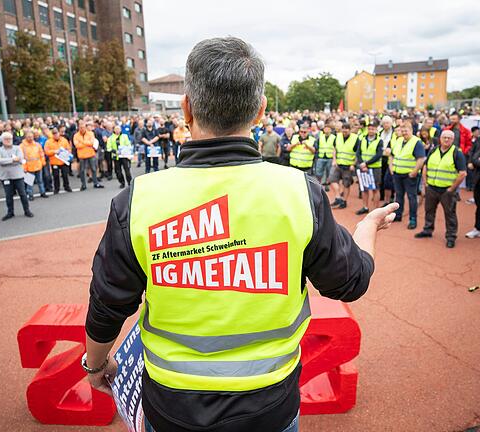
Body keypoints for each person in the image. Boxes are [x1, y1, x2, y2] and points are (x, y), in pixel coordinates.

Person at [83, 37, 397, 432]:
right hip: (269, 405)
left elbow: (108, 302)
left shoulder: (138, 199)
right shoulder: (300, 192)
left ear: (186, 108)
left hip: (173, 407)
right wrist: (367, 229)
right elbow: (350, 282)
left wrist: (95, 364)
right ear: (261, 109)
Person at [414, 130, 467, 248]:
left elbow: (463, 173)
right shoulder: (433, 150)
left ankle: (451, 236)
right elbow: (426, 166)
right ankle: (427, 230)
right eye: (444, 137)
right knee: (429, 210)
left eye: (449, 138)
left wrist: (452, 189)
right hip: (432, 188)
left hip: (446, 190)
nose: (446, 140)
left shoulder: (457, 153)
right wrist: (426, 183)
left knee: (450, 214)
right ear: (440, 138)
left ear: (453, 140)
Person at [390, 121, 426, 229]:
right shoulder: (398, 140)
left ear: (411, 130)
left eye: (406, 130)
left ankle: (412, 219)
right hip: (397, 173)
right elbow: (392, 155)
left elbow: (421, 159)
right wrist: (391, 168)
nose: (404, 132)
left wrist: (414, 172)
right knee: (399, 195)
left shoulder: (416, 142)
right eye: (402, 130)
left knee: (411, 197)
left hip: (410, 176)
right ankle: (398, 214)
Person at [0, 132, 33, 220]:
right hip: (6, 177)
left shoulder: (17, 148)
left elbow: (20, 158)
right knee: (8, 196)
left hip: (18, 175)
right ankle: (10, 212)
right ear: (2, 140)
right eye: (6, 139)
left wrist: (7, 161)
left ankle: (27, 210)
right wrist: (12, 160)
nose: (8, 141)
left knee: (23, 194)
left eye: (10, 139)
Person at [355, 122, 384, 214]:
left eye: (373, 129)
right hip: (363, 168)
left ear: (376, 130)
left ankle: (376, 210)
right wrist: (362, 164)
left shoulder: (379, 140)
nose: (371, 130)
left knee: (375, 189)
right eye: (369, 128)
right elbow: (358, 153)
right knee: (364, 188)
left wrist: (366, 164)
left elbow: (379, 155)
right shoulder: (362, 139)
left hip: (375, 168)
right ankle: (365, 207)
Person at [328, 123, 357, 210]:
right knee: (332, 179)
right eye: (343, 128)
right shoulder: (338, 137)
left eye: (347, 129)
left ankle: (344, 201)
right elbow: (334, 149)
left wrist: (353, 164)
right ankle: (338, 197)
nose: (345, 130)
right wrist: (334, 160)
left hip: (348, 165)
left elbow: (357, 153)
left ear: (350, 129)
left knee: (346, 184)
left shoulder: (355, 138)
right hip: (338, 164)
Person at [74, 121, 104, 191]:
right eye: (80, 127)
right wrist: (87, 144)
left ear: (85, 127)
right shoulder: (76, 135)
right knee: (82, 171)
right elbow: (77, 145)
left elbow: (92, 143)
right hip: (82, 156)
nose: (82, 128)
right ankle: (83, 185)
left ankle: (96, 183)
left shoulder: (91, 133)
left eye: (83, 127)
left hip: (91, 154)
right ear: (78, 127)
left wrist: (82, 142)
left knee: (93, 169)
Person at [20, 131, 48, 201]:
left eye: (32, 137)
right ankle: (30, 195)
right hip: (29, 167)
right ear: (25, 137)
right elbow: (22, 158)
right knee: (29, 182)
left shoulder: (37, 144)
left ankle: (42, 192)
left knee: (40, 180)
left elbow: (41, 153)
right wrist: (24, 167)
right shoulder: (22, 146)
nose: (30, 138)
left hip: (38, 165)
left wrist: (43, 162)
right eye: (29, 137)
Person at [44, 127, 73, 194]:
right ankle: (57, 188)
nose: (55, 135)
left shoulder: (64, 140)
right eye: (54, 134)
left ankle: (67, 186)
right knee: (56, 175)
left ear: (59, 133)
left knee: (65, 174)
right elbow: (47, 152)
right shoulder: (48, 142)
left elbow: (68, 148)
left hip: (63, 161)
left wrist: (67, 153)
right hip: (54, 162)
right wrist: (54, 151)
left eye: (56, 133)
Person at [315, 124, 336, 188]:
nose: (326, 130)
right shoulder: (320, 137)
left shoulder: (334, 137)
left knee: (329, 172)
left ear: (331, 130)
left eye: (328, 129)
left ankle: (327, 185)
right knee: (318, 172)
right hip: (321, 157)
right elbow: (317, 146)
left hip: (330, 157)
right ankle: (319, 184)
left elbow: (335, 147)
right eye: (325, 129)